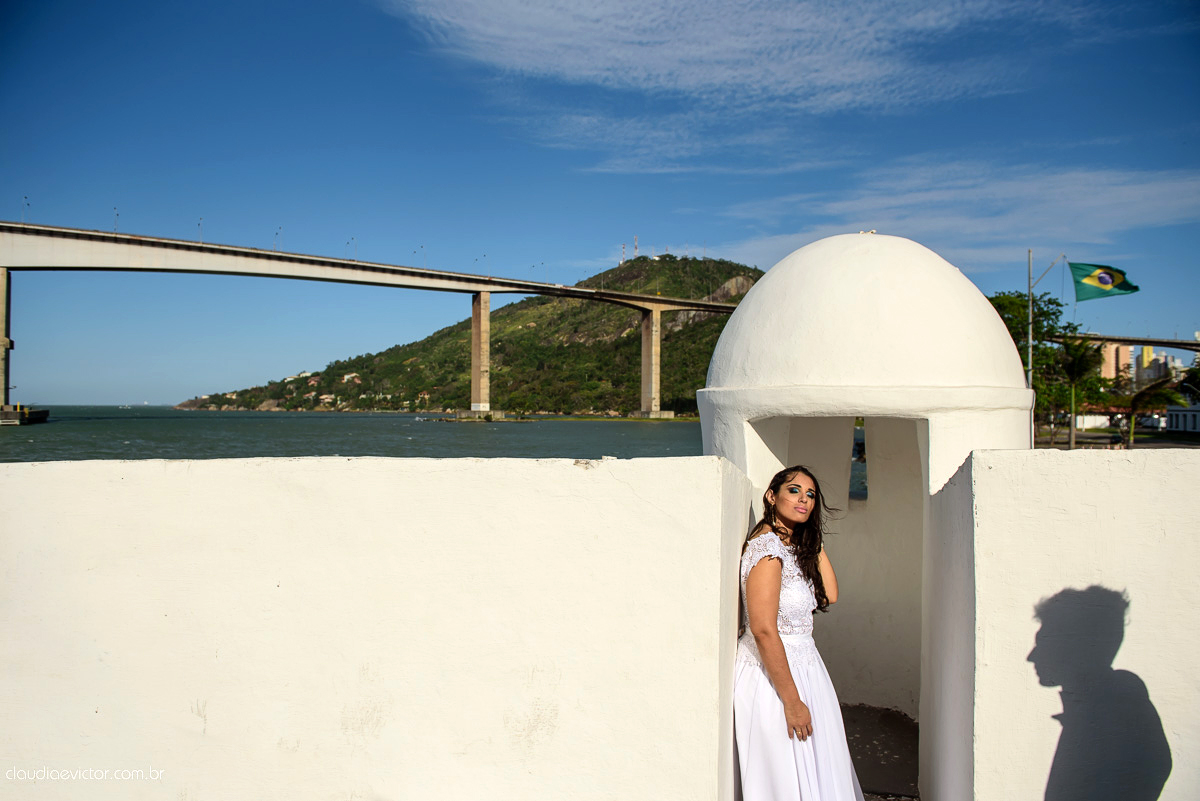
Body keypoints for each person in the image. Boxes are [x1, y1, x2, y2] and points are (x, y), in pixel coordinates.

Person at [734, 465, 863, 801]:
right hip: (774, 676)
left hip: (805, 667)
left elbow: (828, 595)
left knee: (815, 772)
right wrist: (791, 703)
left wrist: (812, 539)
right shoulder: (768, 551)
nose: (804, 499)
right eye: (794, 490)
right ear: (771, 496)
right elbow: (763, 630)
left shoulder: (789, 546)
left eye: (810, 495)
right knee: (786, 779)